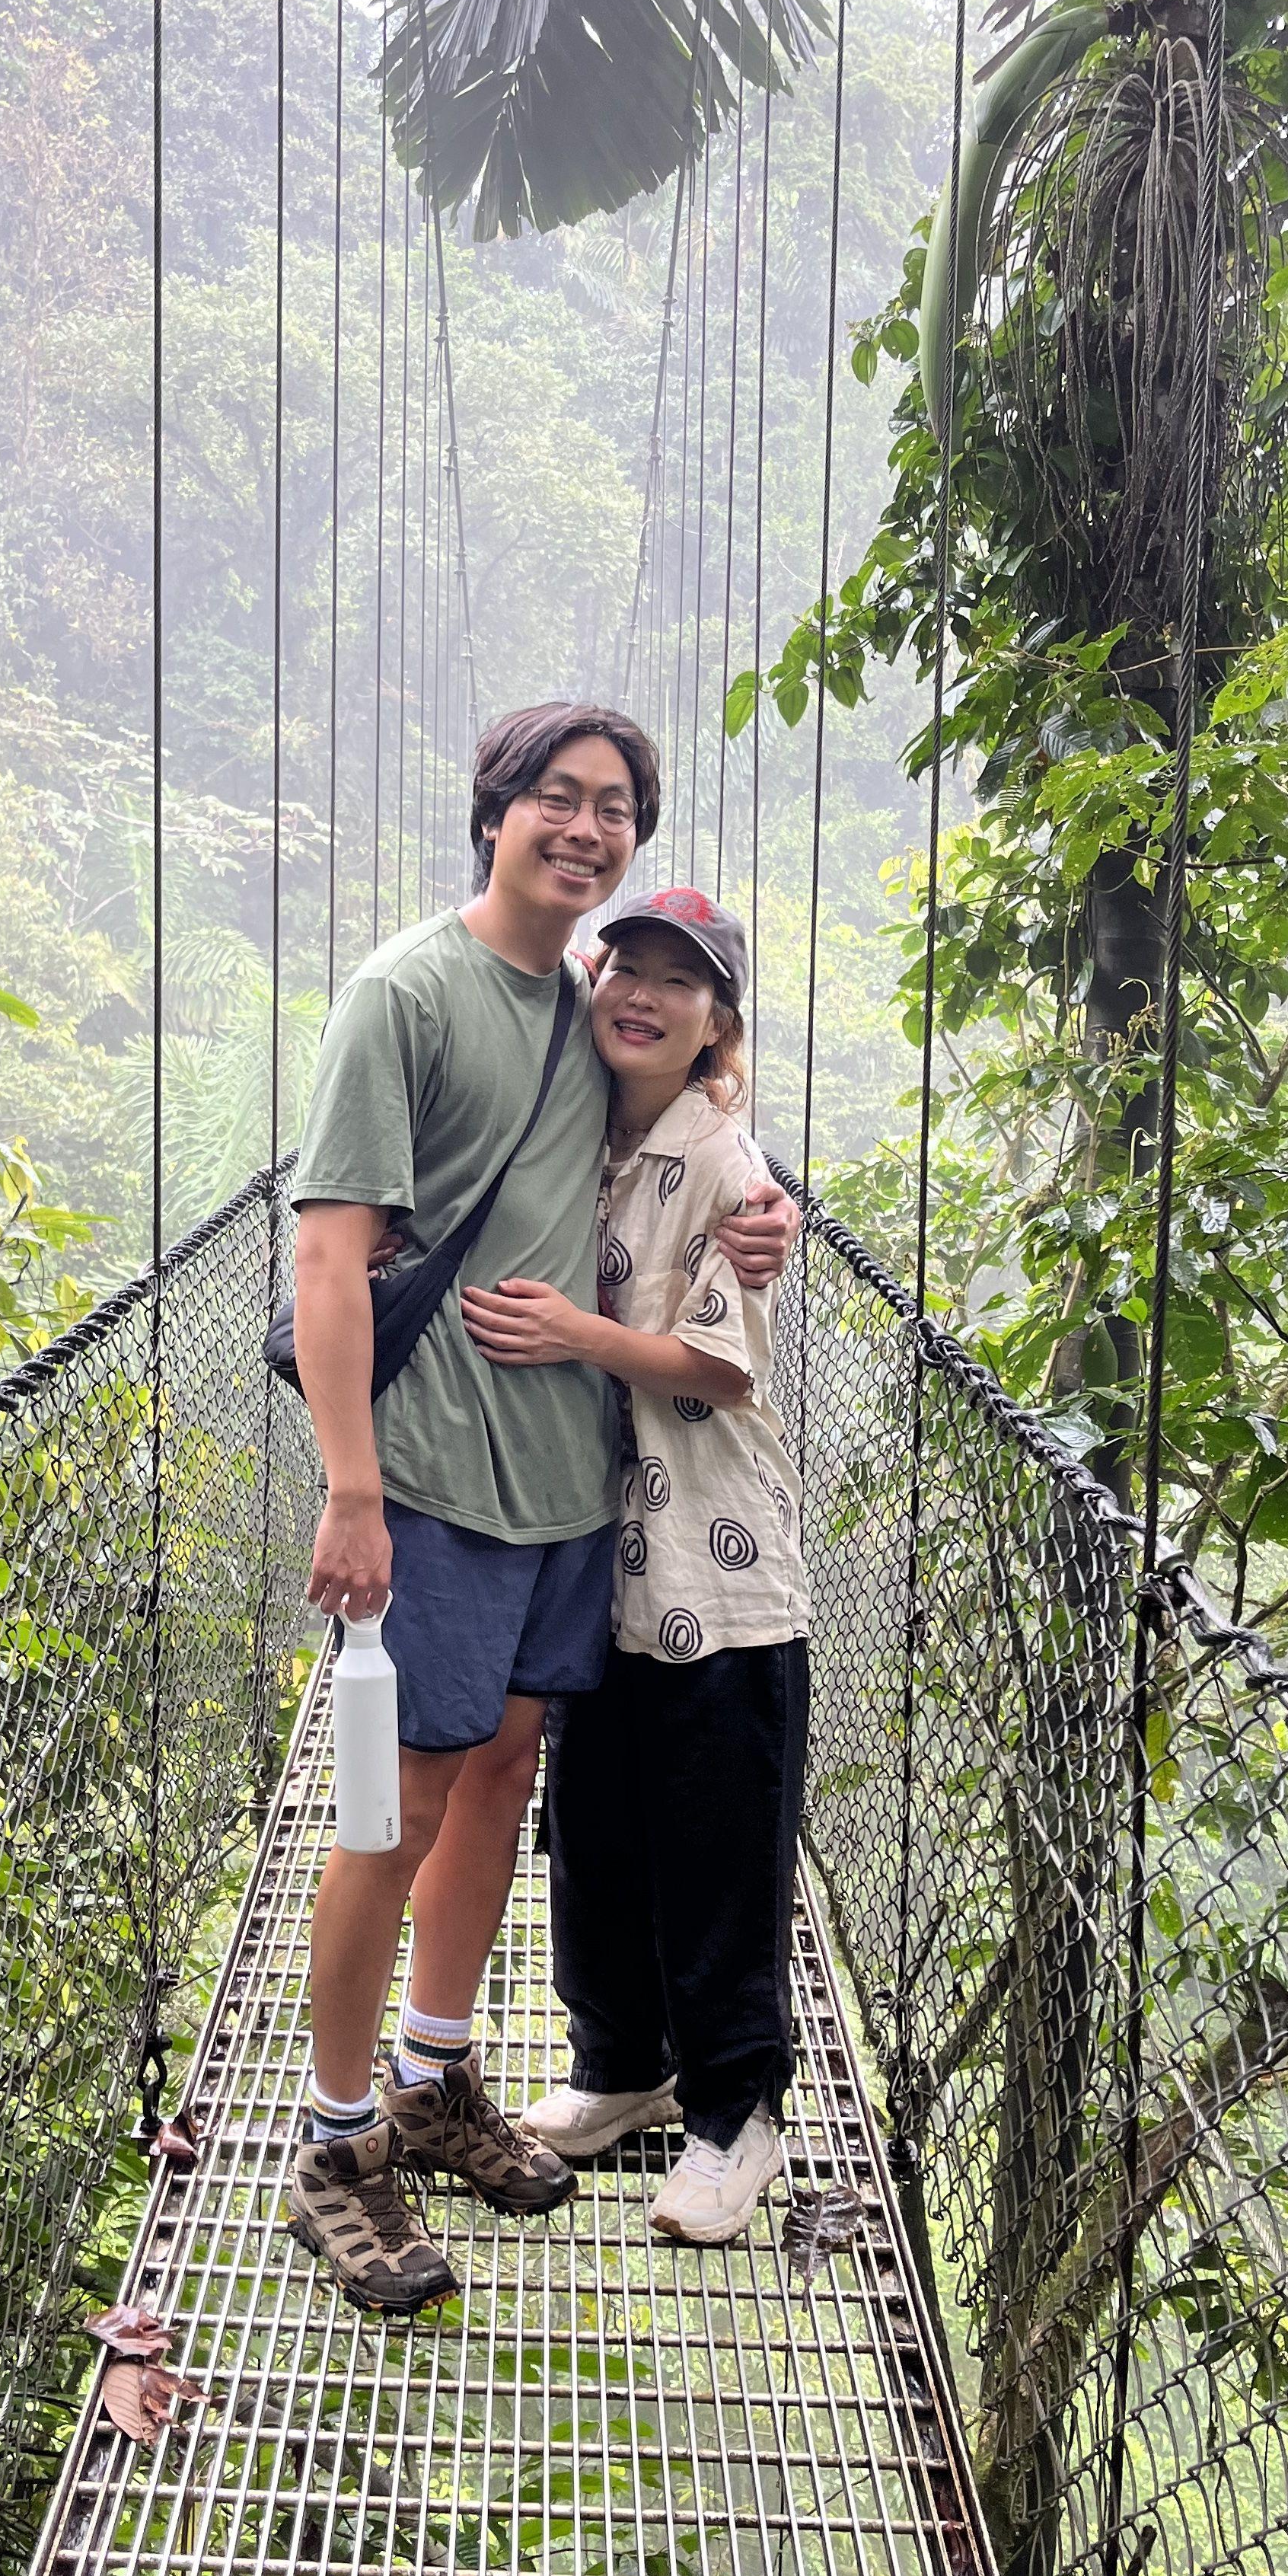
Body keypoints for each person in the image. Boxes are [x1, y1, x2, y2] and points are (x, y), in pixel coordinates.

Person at [279, 706, 796, 2314]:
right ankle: (337, 2144)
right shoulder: (406, 993)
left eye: (615, 809)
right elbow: (326, 1253)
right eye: (557, 802)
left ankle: (440, 2079)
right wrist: (351, 1488)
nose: (585, 828)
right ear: (494, 811)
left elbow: (679, 1112)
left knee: (503, 1776)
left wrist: (760, 1200)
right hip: (429, 1484)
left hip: (571, 1487)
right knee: (400, 1807)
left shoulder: (592, 1010)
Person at [458, 886, 812, 2245]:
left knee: (719, 1847)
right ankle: (624, 2072)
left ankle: (736, 2120)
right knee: (597, 1834)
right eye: (629, 968)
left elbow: (721, 1365)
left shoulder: (730, 1165)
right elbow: (482, 970)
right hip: (592, 1556)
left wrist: (573, 1337)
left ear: (718, 1022)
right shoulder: (573, 1123)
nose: (646, 995)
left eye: (684, 981)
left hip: (716, 1571)